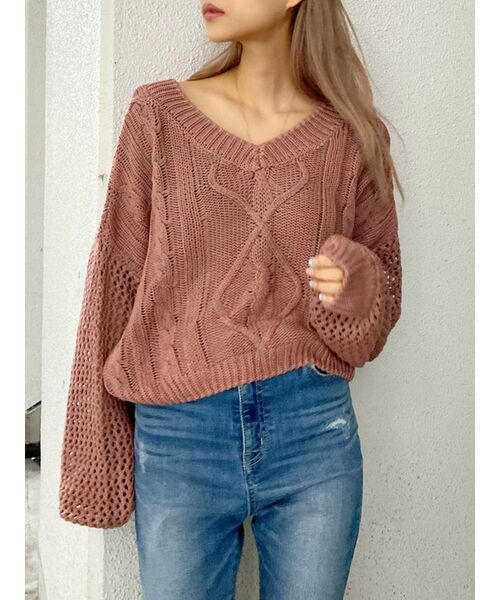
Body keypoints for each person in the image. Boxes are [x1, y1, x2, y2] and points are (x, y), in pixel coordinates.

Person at [58, 0, 404, 598]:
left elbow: (381, 305)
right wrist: (96, 452)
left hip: (313, 432)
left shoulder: (352, 136)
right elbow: (113, 285)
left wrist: (355, 286)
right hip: (179, 433)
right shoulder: (157, 116)